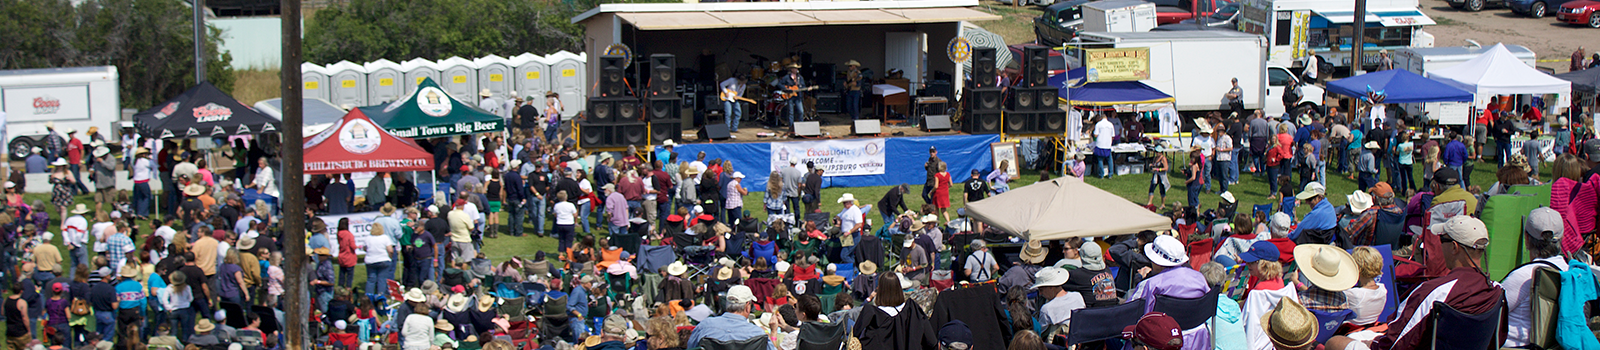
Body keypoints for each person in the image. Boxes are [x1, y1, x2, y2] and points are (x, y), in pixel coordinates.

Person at [1370, 216, 1506, 350]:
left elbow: (1394, 345)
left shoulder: (1435, 292)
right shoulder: (1496, 291)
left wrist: (1366, 343)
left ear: (1454, 247)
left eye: (1442, 239)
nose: (1440, 245)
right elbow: (1498, 339)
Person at [1126, 235, 1211, 350]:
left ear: (1157, 261)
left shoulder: (1151, 284)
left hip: (1160, 342)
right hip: (1198, 339)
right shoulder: (1199, 278)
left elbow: (1130, 311)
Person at [1501, 207, 1565, 347]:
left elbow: (1493, 312)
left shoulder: (1522, 276)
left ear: (1527, 239)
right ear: (1561, 238)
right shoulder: (1568, 272)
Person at [686, 285, 774, 350]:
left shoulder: (704, 327)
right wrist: (772, 334)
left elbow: (691, 347)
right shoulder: (759, 334)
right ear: (747, 306)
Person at [1032, 267, 1086, 333]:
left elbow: (1040, 331)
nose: (1040, 293)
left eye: (1041, 290)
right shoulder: (1077, 296)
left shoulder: (1047, 308)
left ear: (1051, 287)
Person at [776, 63, 807, 127]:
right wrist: (787, 89)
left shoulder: (800, 78)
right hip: (790, 97)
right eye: (794, 68)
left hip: (798, 96)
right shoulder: (786, 77)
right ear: (791, 69)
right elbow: (779, 84)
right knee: (791, 112)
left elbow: (803, 86)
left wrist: (801, 89)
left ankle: (801, 127)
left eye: (796, 68)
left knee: (801, 111)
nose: (796, 70)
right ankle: (791, 127)